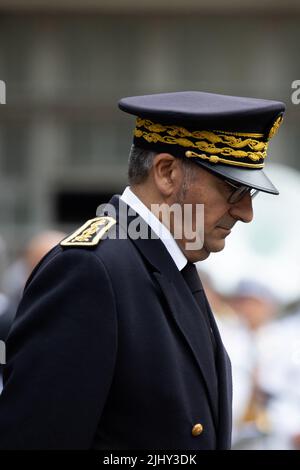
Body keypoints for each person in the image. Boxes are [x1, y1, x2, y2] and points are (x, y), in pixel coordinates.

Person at [0, 91, 285, 450]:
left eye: (250, 194)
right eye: (233, 189)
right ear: (166, 173)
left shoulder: (170, 263)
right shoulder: (90, 269)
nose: (246, 212)